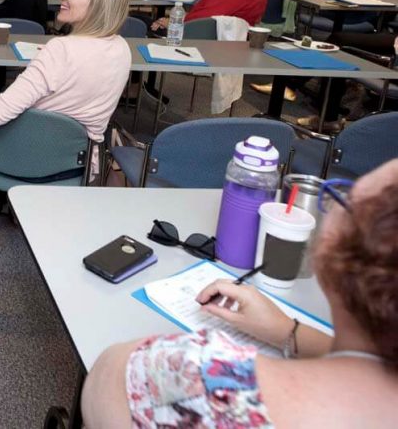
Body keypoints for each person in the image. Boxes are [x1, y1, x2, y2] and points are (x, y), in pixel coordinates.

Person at [82, 158, 398, 428]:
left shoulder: (207, 382)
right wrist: (287, 331)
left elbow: (106, 380)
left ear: (339, 254)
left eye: (345, 200)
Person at [0, 0, 131, 155]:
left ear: (98, 4)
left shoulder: (60, 50)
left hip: (29, 157)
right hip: (80, 164)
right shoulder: (122, 47)